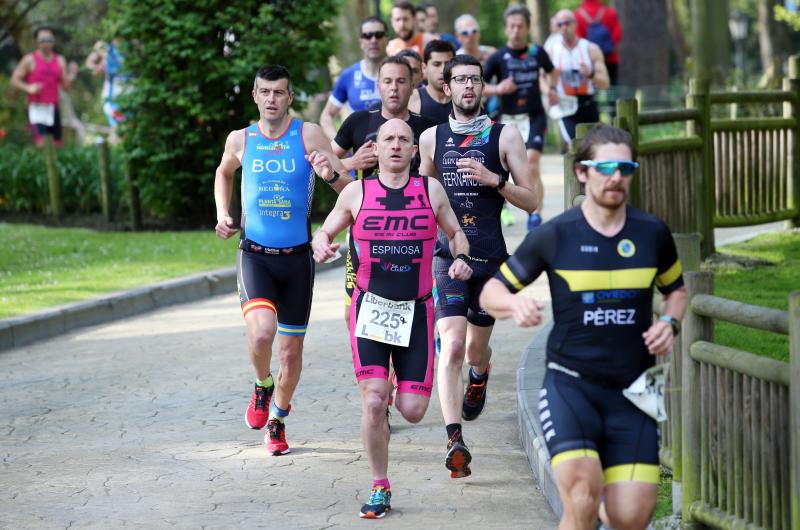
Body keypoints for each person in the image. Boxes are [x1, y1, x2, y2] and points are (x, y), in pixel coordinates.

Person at [479, 124, 688, 530]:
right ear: (581, 171)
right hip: (570, 386)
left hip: (633, 390)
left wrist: (669, 321)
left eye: (625, 167)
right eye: (605, 167)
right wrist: (513, 303)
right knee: (581, 495)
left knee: (633, 515)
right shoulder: (557, 235)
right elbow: (491, 292)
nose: (615, 177)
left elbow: (676, 291)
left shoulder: (651, 233)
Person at [311, 118, 473, 519]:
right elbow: (324, 232)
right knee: (373, 400)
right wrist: (321, 246)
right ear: (376, 150)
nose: (397, 145)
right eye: (389, 139)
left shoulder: (430, 190)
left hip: (417, 310)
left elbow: (456, 234)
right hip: (370, 310)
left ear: (414, 150)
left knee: (414, 410)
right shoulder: (355, 192)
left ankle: (397, 383)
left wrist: (462, 259)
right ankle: (379, 485)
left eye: (404, 139)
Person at [213, 65, 351, 456]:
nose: (272, 99)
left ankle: (278, 417)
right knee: (261, 333)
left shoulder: (307, 134)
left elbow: (349, 189)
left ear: (290, 97)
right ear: (254, 96)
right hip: (254, 254)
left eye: (279, 92)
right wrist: (223, 213)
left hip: (297, 260)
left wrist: (328, 176)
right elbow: (223, 173)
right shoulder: (241, 139)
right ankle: (262, 384)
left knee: (291, 352)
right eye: (265, 92)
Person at [418, 54, 538, 479]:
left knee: (473, 350)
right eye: (460, 80)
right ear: (446, 88)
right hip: (447, 257)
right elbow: (423, 197)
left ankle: (481, 372)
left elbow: (532, 199)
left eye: (475, 79)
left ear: (483, 87)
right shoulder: (431, 139)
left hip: (491, 259)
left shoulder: (506, 137)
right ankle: (454, 439)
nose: (468, 86)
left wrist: (496, 181)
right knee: (450, 345)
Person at [331, 56, 437, 325]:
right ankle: (372, 364)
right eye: (387, 81)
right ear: (378, 86)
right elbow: (325, 161)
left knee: (410, 307)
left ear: (413, 85)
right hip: (366, 233)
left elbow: (440, 179)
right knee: (352, 311)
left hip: (412, 232)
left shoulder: (427, 129)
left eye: (401, 81)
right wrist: (351, 163)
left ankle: (398, 364)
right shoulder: (358, 122)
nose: (394, 88)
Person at [484, 5, 558, 232]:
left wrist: (549, 87)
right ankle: (503, 207)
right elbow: (481, 86)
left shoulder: (537, 52)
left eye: (520, 26)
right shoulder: (498, 57)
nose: (516, 31)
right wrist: (499, 89)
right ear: (506, 29)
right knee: (503, 167)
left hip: (534, 115)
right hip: (506, 118)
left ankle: (535, 214)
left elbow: (552, 71)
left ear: (527, 28)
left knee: (532, 163)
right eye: (512, 26)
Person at [320, 16, 388, 140]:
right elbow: (326, 116)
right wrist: (341, 144)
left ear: (387, 39)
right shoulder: (348, 76)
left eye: (378, 35)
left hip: (395, 152)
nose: (373, 40)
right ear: (361, 42)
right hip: (359, 155)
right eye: (367, 35)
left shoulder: (401, 72)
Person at [549, 9, 610, 146]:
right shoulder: (552, 51)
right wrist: (550, 90)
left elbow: (605, 83)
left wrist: (591, 74)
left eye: (567, 23)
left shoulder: (590, 49)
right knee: (575, 148)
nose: (564, 27)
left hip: (588, 104)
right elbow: (541, 78)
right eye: (560, 24)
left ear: (575, 24)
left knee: (593, 148)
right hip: (566, 106)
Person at [10, 26, 78, 147]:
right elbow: (14, 80)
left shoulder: (60, 60)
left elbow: (66, 87)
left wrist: (72, 75)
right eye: (42, 40)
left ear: (53, 41)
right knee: (41, 144)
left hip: (54, 107)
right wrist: (28, 88)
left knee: (56, 145)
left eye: (48, 39)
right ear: (37, 42)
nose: (46, 43)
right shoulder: (29, 60)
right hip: (37, 107)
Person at [85, 38, 130, 141]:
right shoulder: (105, 46)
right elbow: (90, 65)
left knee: (129, 125)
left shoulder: (132, 43)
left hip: (130, 90)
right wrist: (99, 66)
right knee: (117, 126)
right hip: (112, 93)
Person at [574, 0, 622, 86]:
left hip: (589, 61)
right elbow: (618, 33)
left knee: (591, 88)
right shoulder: (609, 12)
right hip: (610, 57)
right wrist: (609, 47)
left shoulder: (577, 15)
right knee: (612, 88)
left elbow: (578, 38)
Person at [408, 40, 455, 124]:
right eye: (436, 64)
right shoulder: (411, 99)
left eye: (448, 64)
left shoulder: (465, 97)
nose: (443, 70)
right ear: (424, 67)